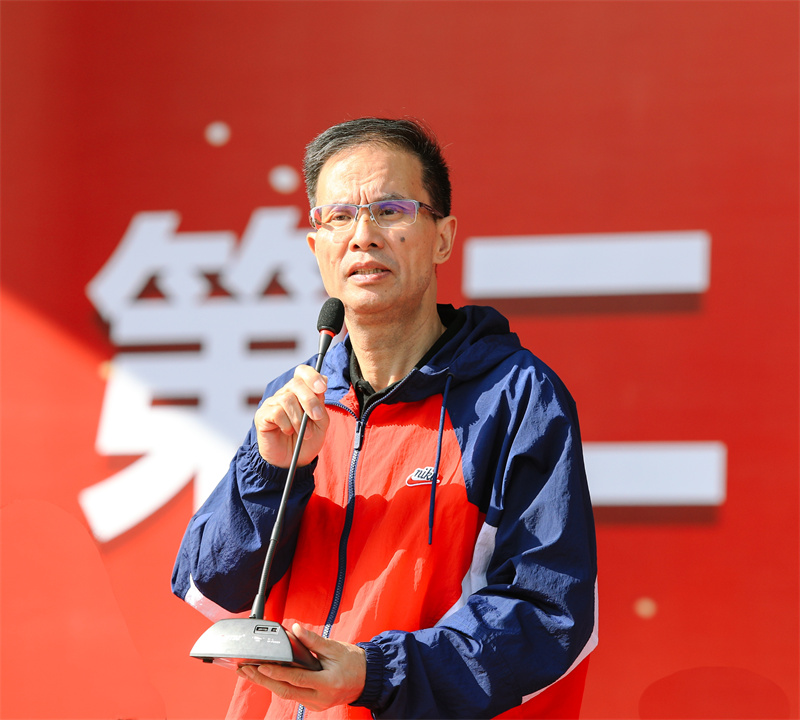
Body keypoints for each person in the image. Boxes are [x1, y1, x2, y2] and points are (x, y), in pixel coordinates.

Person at [172, 117, 598, 719]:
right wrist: (270, 474)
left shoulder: (516, 396)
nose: (363, 236)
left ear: (443, 237)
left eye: (391, 210)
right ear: (316, 247)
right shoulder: (299, 399)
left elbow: (549, 613)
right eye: (339, 216)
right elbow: (211, 589)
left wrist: (376, 674)